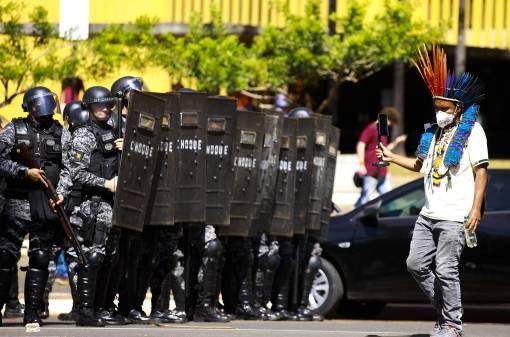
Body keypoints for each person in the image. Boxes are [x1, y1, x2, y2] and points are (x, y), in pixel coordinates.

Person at [376, 46, 488, 337]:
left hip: (454, 216)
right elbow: (420, 165)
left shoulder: (473, 132)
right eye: (435, 107)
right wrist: (390, 157)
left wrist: (475, 208)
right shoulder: (433, 133)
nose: (438, 112)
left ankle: (452, 325)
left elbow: (481, 171)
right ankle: (446, 314)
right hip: (428, 213)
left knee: (446, 269)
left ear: (457, 108)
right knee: (415, 263)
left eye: (444, 108)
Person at [0, 86, 71, 326]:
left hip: (46, 202)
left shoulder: (61, 132)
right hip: (18, 200)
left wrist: (61, 193)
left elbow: (70, 168)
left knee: (40, 257)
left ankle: (32, 313)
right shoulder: (14, 129)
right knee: (5, 256)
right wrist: (23, 172)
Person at [67, 86, 120, 327]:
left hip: (110, 206)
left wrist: (123, 150)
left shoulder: (111, 132)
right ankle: (85, 312)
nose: (106, 109)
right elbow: (76, 172)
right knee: (91, 257)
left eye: (109, 105)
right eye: (100, 105)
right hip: (91, 204)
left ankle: (100, 308)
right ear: (89, 107)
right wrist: (106, 183)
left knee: (107, 258)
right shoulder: (84, 135)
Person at [355, 107, 407, 207]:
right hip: (371, 170)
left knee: (389, 198)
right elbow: (361, 144)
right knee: (365, 198)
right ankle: (352, 219)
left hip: (382, 172)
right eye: (390, 122)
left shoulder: (382, 132)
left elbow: (385, 150)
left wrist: (397, 142)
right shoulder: (372, 128)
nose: (390, 125)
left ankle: (392, 218)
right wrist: (361, 164)